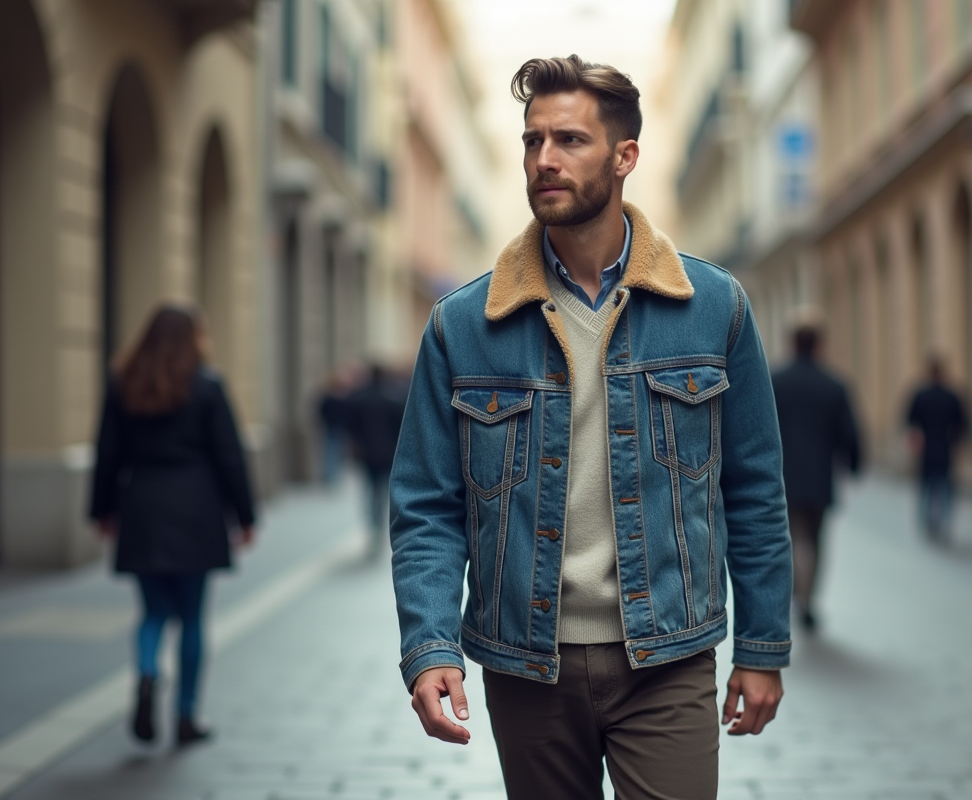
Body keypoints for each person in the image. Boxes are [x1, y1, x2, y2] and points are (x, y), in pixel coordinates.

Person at [389, 55, 792, 800]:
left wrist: (762, 646)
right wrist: (430, 645)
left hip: (667, 656)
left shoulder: (714, 307)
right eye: (532, 140)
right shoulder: (461, 325)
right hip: (526, 663)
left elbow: (755, 491)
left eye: (570, 140)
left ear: (624, 156)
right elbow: (425, 508)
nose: (544, 159)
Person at [89, 304, 256, 746]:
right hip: (196, 508)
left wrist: (101, 511)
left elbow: (107, 452)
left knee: (153, 612)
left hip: (141, 506)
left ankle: (147, 674)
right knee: (193, 618)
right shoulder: (206, 385)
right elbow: (229, 455)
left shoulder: (124, 383)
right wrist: (245, 515)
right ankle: (186, 716)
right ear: (193, 338)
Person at [771, 320, 860, 632]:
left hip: (784, 475)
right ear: (819, 346)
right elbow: (849, 433)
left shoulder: (775, 382)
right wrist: (854, 464)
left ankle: (799, 591)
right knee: (816, 538)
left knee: (793, 536)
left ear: (791, 344)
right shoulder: (833, 385)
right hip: (820, 476)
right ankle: (809, 599)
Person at [905, 355, 969, 542]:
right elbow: (962, 424)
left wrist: (916, 441)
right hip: (945, 448)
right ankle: (943, 520)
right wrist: (957, 443)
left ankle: (928, 520)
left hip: (927, 449)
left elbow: (910, 422)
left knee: (926, 487)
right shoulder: (951, 396)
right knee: (945, 487)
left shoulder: (921, 395)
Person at [344, 363, 407, 555]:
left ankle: (374, 524)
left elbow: (351, 426)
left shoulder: (360, 399)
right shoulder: (393, 399)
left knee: (371, 489)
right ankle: (381, 524)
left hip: (367, 453)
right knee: (386, 490)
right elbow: (400, 427)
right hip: (388, 452)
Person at [316, 371, 351, 486]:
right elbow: (322, 412)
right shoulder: (329, 398)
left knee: (336, 451)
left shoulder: (342, 398)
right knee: (331, 451)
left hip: (339, 427)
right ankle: (330, 474)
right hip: (330, 427)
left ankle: (334, 473)